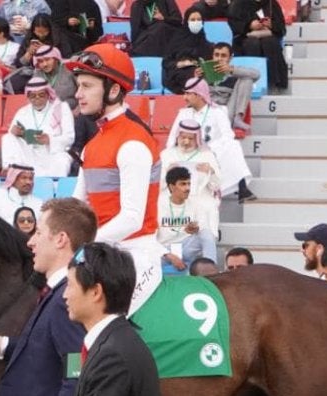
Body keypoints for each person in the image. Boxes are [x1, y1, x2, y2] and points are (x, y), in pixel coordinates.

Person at [67, 43, 163, 316]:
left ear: (113, 90)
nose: (78, 94)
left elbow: (132, 218)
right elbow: (76, 206)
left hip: (133, 256)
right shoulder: (91, 145)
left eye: (87, 86)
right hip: (102, 253)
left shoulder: (133, 142)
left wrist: (82, 246)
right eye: (78, 86)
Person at [0, 198, 93, 396]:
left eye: (39, 233)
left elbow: (75, 374)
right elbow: (46, 351)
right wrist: (4, 344)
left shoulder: (65, 300)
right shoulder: (56, 293)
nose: (30, 242)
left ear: (60, 239)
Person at [64, 242, 161, 396]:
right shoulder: (117, 340)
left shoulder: (111, 357)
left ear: (96, 292)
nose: (64, 295)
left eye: (70, 285)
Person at [167, 77, 254, 202]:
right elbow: (171, 139)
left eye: (188, 94)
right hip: (187, 154)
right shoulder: (184, 113)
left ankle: (242, 187)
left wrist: (209, 148)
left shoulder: (217, 112)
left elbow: (228, 135)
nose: (184, 97)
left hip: (212, 152)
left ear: (199, 95)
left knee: (233, 145)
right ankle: (240, 186)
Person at [1, 76, 75, 176]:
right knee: (7, 138)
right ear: (28, 96)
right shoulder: (22, 112)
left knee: (62, 160)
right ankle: (10, 170)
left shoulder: (61, 108)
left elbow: (69, 138)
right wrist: (14, 132)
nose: (37, 98)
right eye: (33, 96)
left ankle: (53, 184)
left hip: (52, 154)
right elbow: (13, 135)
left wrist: (49, 140)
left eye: (41, 95)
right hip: (29, 154)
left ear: (48, 94)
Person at [157, 166, 218, 272]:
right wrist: (169, 255)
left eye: (188, 184)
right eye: (183, 184)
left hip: (186, 247)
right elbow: (150, 239)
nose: (187, 188)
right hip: (164, 250)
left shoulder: (196, 204)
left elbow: (204, 230)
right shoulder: (158, 206)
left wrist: (196, 229)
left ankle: (211, 273)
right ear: (171, 187)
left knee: (207, 234)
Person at [159, 119, 221, 212]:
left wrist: (211, 172)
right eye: (183, 137)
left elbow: (217, 186)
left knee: (209, 206)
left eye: (191, 138)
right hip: (172, 199)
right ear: (177, 136)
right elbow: (158, 186)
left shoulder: (207, 155)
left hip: (200, 199)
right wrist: (167, 172)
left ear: (197, 139)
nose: (186, 142)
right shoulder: (166, 154)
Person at [195, 42, 258, 131]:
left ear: (230, 58)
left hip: (228, 111)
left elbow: (256, 74)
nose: (219, 58)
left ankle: (238, 118)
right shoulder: (204, 72)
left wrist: (231, 70)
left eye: (223, 56)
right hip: (208, 111)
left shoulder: (235, 72)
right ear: (212, 56)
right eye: (216, 55)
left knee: (247, 79)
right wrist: (195, 79)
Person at [227, 0, 287, 90]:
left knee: (270, 42)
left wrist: (271, 25)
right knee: (252, 43)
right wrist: (249, 25)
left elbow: (281, 28)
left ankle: (273, 82)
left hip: (268, 37)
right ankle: (251, 82)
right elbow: (234, 25)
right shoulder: (238, 4)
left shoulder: (271, 3)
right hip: (244, 38)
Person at [6, 45, 78, 109]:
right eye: (40, 61)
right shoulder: (37, 74)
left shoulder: (70, 70)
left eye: (47, 59)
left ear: (56, 58)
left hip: (71, 110)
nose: (45, 64)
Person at [162, 9, 216, 94]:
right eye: (193, 20)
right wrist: (181, 64)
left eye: (199, 20)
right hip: (179, 75)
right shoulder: (176, 41)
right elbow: (166, 62)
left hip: (200, 76)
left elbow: (209, 64)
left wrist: (202, 68)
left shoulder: (206, 44)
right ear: (187, 21)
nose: (196, 22)